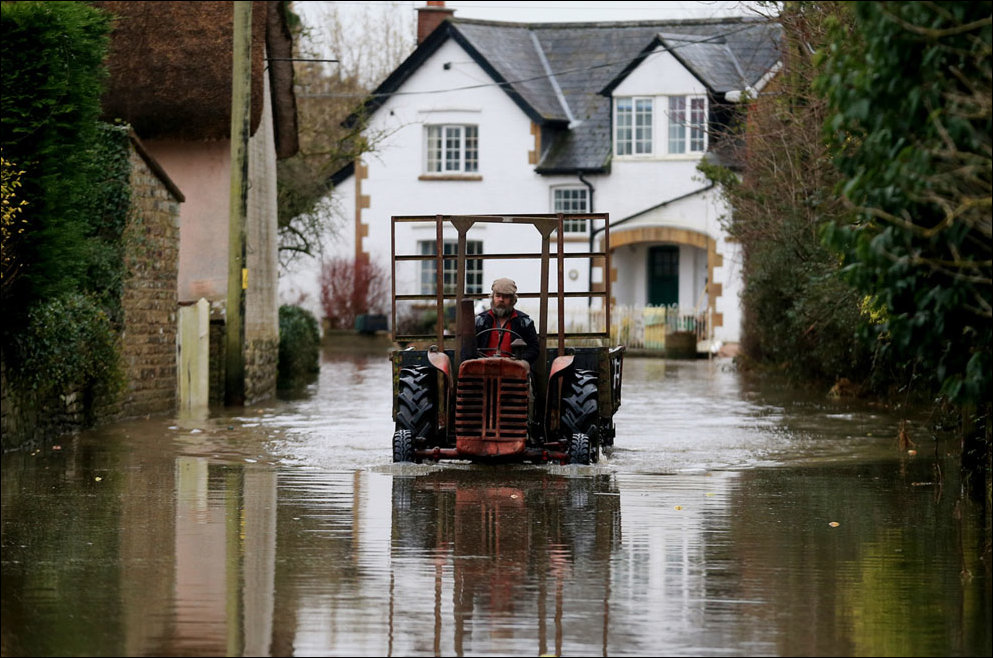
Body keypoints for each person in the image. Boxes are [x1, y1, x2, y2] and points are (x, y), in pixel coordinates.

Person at [475, 277, 539, 366]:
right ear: (492, 297)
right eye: (498, 296)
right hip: (483, 367)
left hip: (513, 368)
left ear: (513, 299)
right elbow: (468, 348)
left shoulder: (524, 322)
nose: (501, 299)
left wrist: (518, 361)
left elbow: (534, 349)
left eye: (505, 297)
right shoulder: (480, 321)